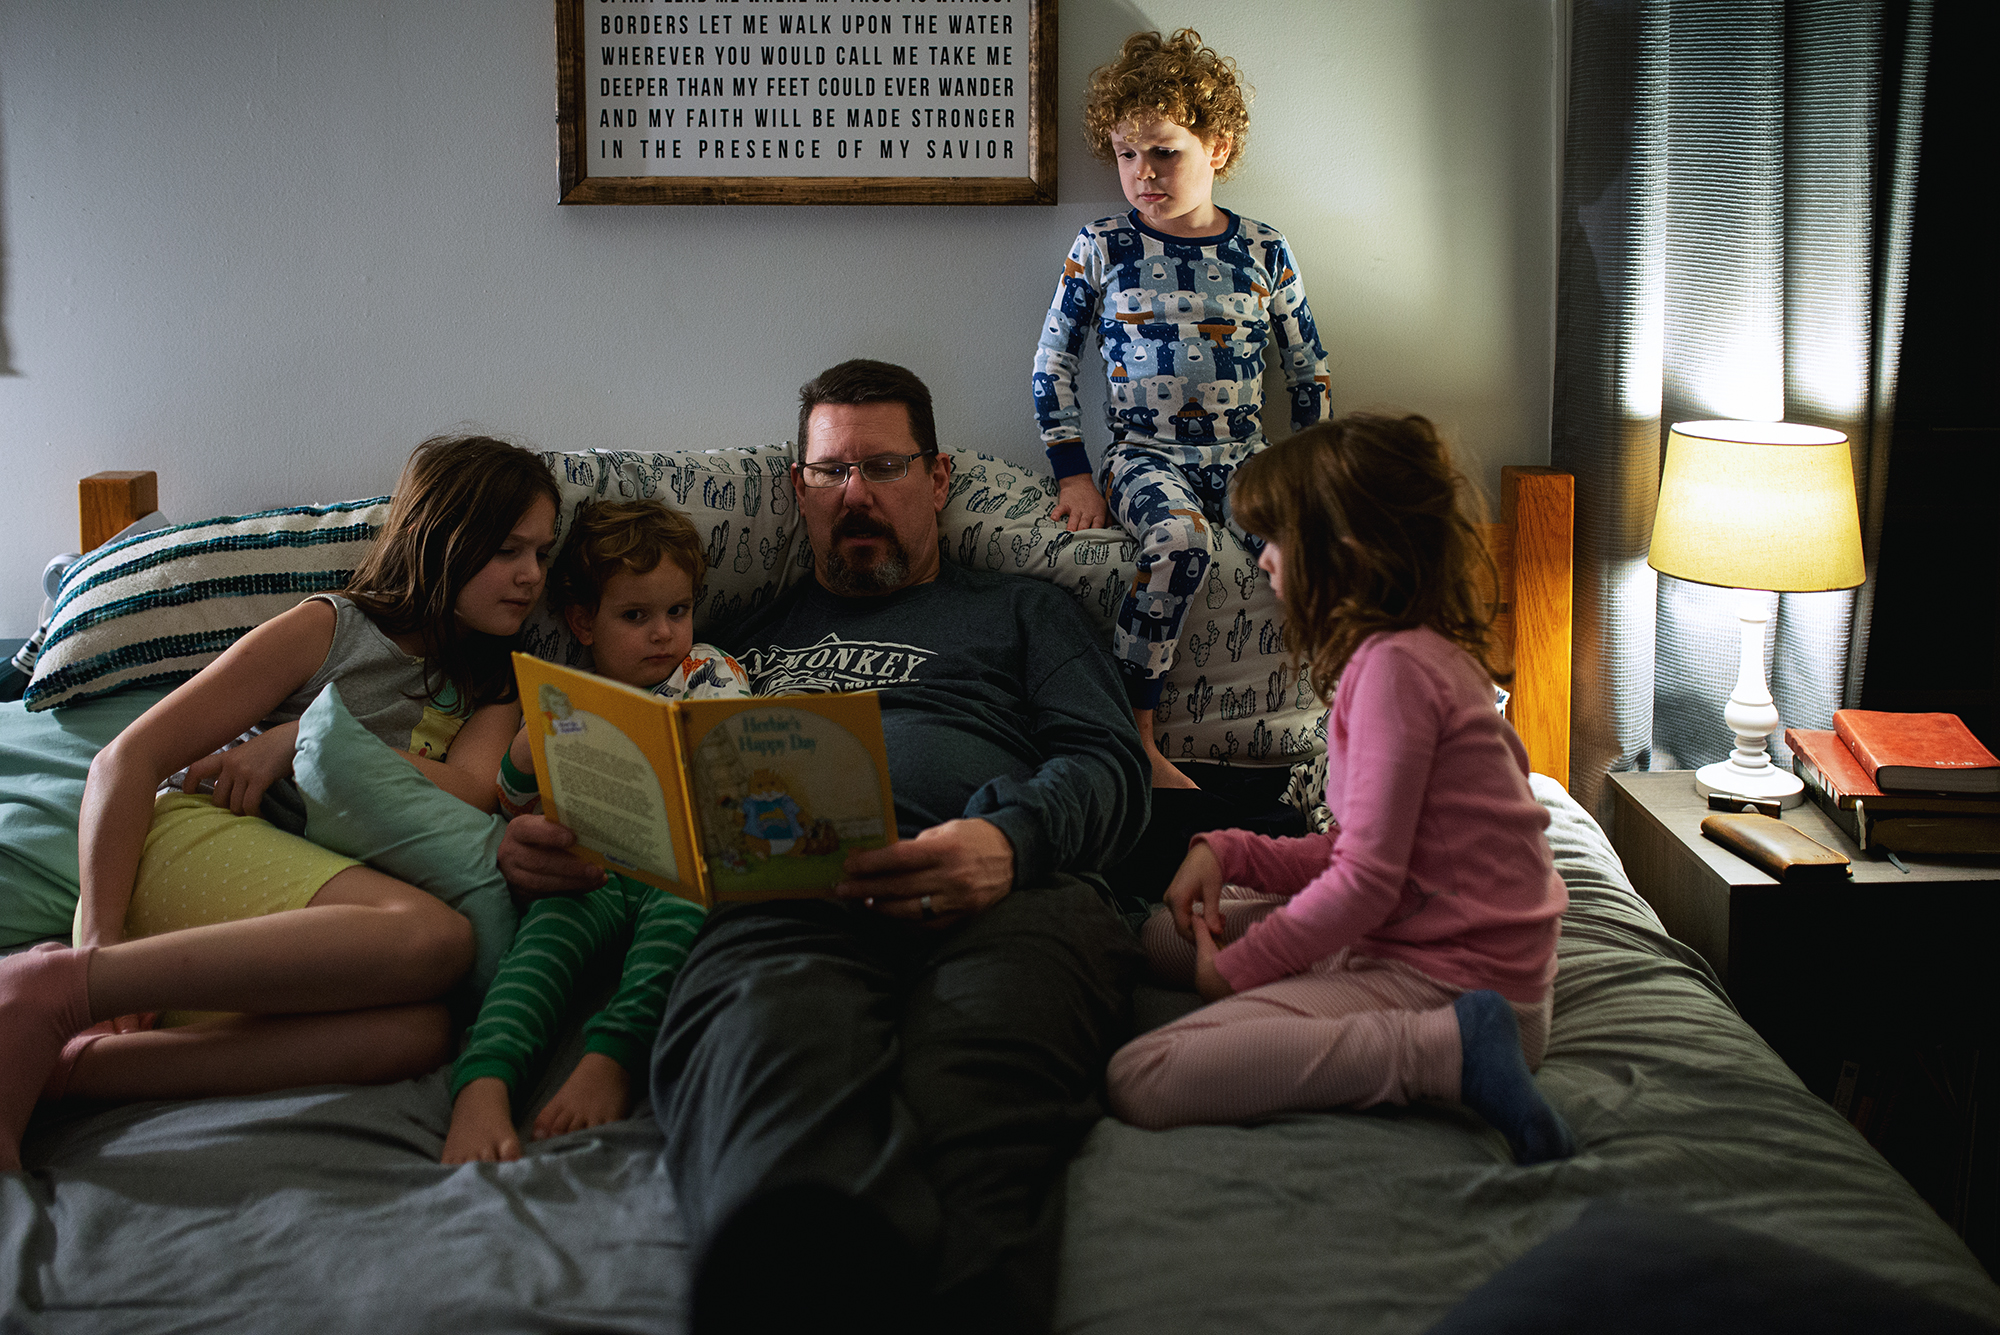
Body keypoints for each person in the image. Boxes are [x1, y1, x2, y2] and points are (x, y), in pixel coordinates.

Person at [498, 360, 1149, 1334]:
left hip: (1008, 892)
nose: (856, 496)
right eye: (828, 474)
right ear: (796, 493)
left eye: (883, 468)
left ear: (935, 481)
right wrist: (554, 844)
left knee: (973, 1102)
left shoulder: (1023, 609)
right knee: (765, 1060)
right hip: (781, 900)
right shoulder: (721, 640)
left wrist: (1007, 842)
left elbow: (1110, 766)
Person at [0, 434, 559, 1172]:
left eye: (543, 555)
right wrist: (97, 945)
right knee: (437, 938)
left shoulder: (494, 684)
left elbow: (471, 787)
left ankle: (66, 1069)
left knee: (421, 1033)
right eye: (507, 551)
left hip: (299, 927)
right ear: (441, 539)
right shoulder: (331, 629)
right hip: (188, 847)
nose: (529, 577)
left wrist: (306, 735)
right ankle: (52, 989)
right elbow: (124, 760)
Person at [1104, 414, 1576, 1166]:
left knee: (1143, 1076)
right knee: (1164, 932)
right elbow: (1362, 849)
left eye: (1276, 539)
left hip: (1457, 982)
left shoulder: (1393, 671)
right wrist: (1227, 849)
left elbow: (1363, 881)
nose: (1262, 562)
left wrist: (1238, 974)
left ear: (1344, 550)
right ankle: (1416, 1020)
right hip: (1420, 932)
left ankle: (1444, 1054)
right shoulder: (1408, 657)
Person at [1032, 28, 1332, 790]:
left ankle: (1348, 731)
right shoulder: (1102, 243)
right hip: (1143, 455)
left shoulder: (1265, 251)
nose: (1142, 174)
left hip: (1245, 459)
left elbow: (1308, 370)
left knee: (1317, 553)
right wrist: (1072, 471)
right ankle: (1138, 734)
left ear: (1218, 147)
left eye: (1164, 151)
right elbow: (1052, 362)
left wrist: (1313, 478)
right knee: (1178, 542)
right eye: (1127, 154)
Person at [443, 499, 749, 1164]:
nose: (664, 633)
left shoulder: (710, 671)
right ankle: (485, 1080)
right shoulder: (565, 694)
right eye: (635, 616)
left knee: (679, 925)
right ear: (583, 622)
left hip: (683, 867)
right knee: (542, 945)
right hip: (594, 868)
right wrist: (525, 753)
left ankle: (612, 1054)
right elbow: (512, 803)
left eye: (677, 610)